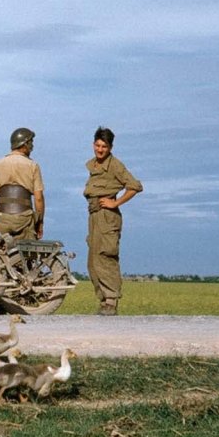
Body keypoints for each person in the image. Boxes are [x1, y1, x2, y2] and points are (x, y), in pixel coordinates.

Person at [83, 126, 143, 316]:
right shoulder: (93, 165)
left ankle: (111, 301)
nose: (100, 150)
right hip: (94, 216)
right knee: (93, 261)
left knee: (106, 257)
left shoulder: (115, 165)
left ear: (110, 147)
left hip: (107, 217)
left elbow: (135, 186)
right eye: (98, 145)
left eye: (104, 147)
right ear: (93, 144)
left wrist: (115, 202)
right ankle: (103, 301)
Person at [0, 127, 45, 240]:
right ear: (25, 143)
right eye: (31, 142)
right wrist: (40, 223)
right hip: (24, 218)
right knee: (27, 254)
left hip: (2, 218)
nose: (32, 146)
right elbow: (39, 198)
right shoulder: (33, 166)